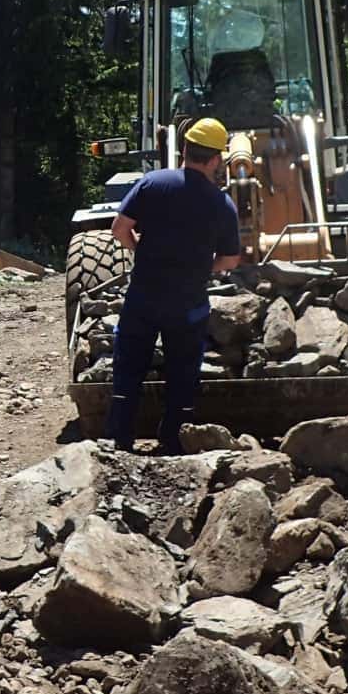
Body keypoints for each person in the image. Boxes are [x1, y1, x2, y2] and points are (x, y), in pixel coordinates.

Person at [105, 116, 243, 455]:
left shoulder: (152, 183)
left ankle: (120, 441)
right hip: (188, 304)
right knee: (182, 376)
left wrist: (142, 252)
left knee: (128, 369)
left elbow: (120, 228)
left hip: (143, 299)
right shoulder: (222, 204)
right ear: (214, 159)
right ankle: (172, 441)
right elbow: (230, 261)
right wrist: (199, 267)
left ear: (184, 150)